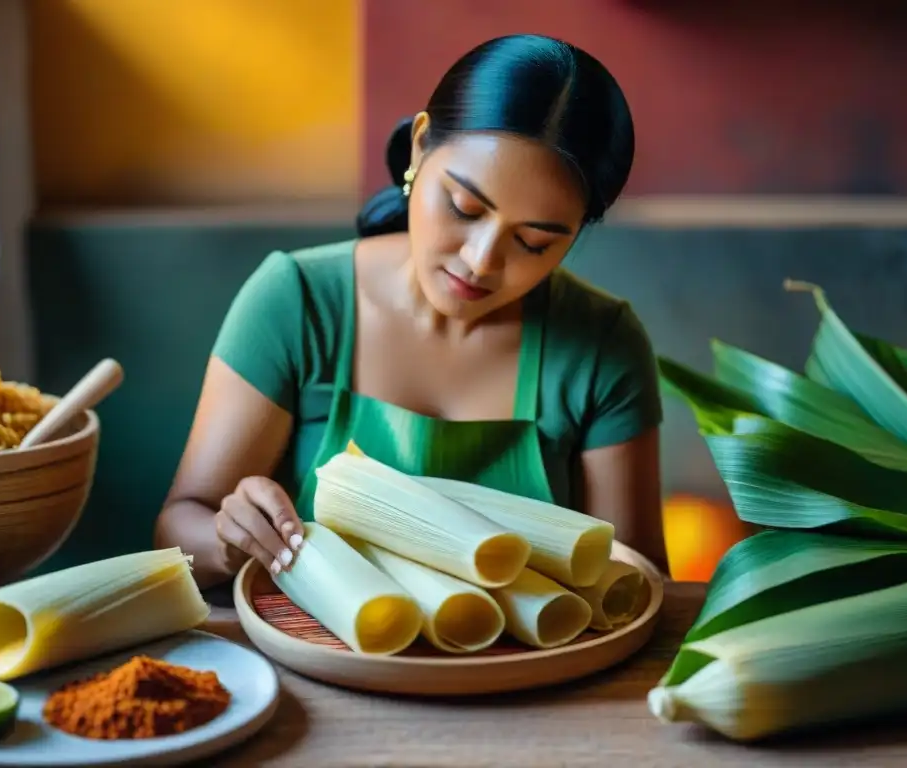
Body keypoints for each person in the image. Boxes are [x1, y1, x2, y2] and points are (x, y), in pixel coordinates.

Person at [155, 34, 667, 589]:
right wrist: (231, 541)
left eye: (534, 242)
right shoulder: (297, 301)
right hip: (308, 667)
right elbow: (177, 528)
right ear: (421, 148)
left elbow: (636, 583)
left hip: (533, 675)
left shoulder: (603, 346)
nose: (480, 260)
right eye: (463, 207)